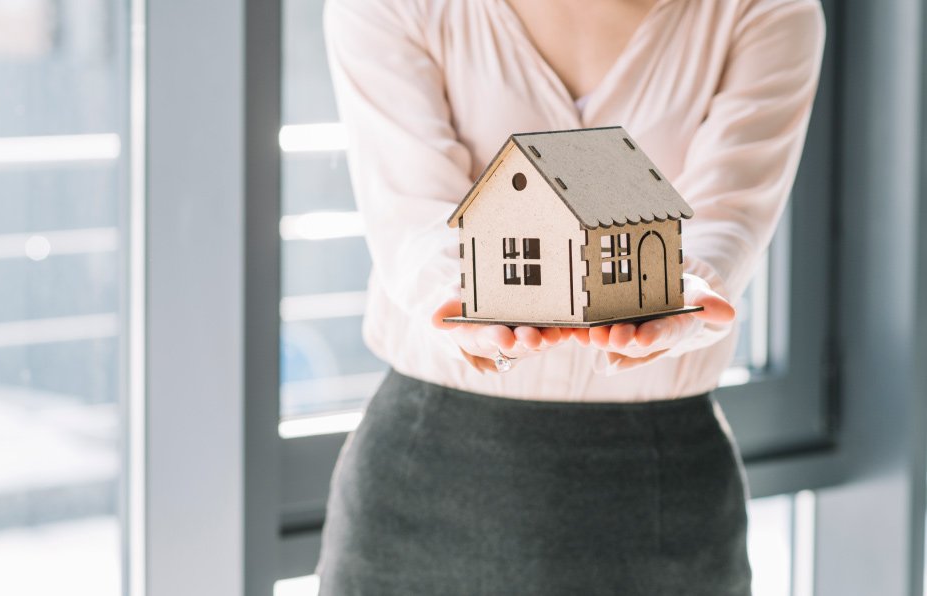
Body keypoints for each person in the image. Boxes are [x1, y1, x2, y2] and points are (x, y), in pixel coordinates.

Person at [317, 0, 825, 593]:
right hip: (427, 469)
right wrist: (467, 300)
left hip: (659, 491)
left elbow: (728, 217)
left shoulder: (767, 12)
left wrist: (684, 293)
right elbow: (413, 216)